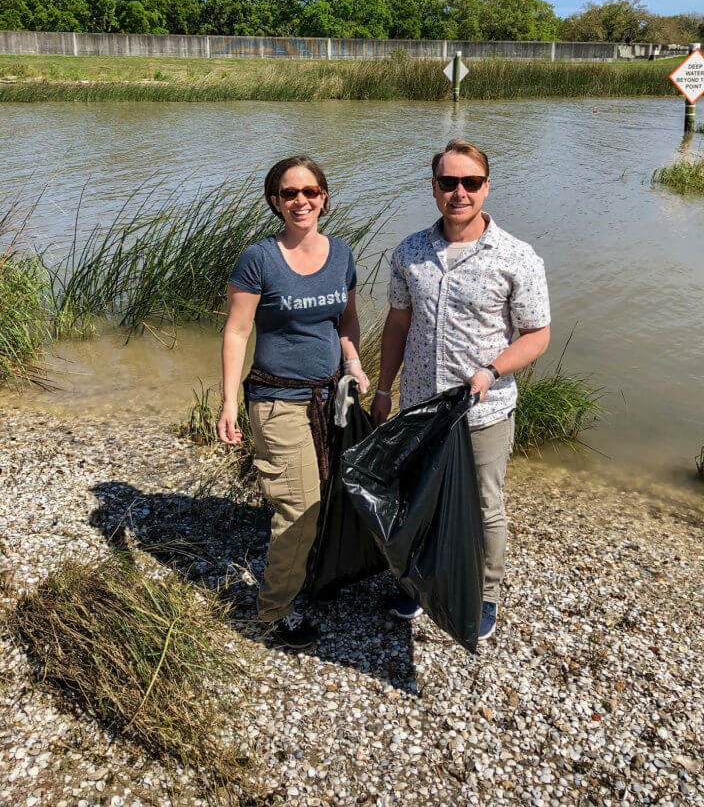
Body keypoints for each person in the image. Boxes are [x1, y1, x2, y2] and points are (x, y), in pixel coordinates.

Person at [371, 139, 550, 641]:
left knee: (485, 506)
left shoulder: (516, 257)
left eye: (470, 182)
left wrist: (491, 371)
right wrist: (384, 389)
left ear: (486, 187)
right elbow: (397, 324)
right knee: (416, 497)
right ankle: (414, 583)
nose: (459, 192)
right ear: (434, 189)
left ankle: (483, 594)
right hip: (421, 406)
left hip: (484, 409)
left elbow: (537, 335)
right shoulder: (409, 251)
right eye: (448, 182)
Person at [218, 155, 368, 649]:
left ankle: (312, 576)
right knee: (299, 506)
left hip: (329, 397)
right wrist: (227, 403)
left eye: (309, 191)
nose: (300, 200)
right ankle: (272, 613)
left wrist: (354, 363)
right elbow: (237, 331)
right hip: (276, 400)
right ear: (274, 201)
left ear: (324, 197)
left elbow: (345, 322)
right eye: (289, 193)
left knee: (327, 495)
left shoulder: (342, 253)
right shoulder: (258, 258)